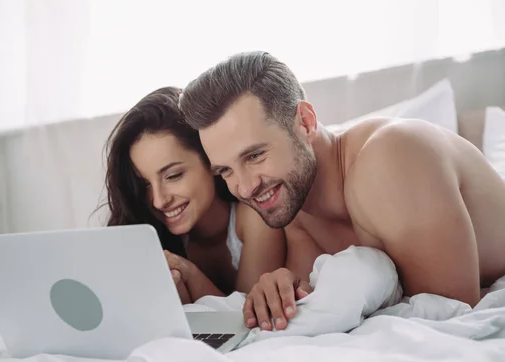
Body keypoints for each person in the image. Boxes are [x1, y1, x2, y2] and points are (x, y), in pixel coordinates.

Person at [178, 51, 505, 331]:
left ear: (305, 122)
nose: (245, 187)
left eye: (254, 155)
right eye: (226, 171)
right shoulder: (295, 207)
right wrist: (277, 291)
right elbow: (310, 306)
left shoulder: (391, 157)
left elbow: (451, 316)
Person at [98, 86, 287, 306]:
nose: (159, 200)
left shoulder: (254, 218)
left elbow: (248, 320)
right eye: (145, 185)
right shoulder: (151, 235)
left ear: (210, 161)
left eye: (173, 175)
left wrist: (190, 275)